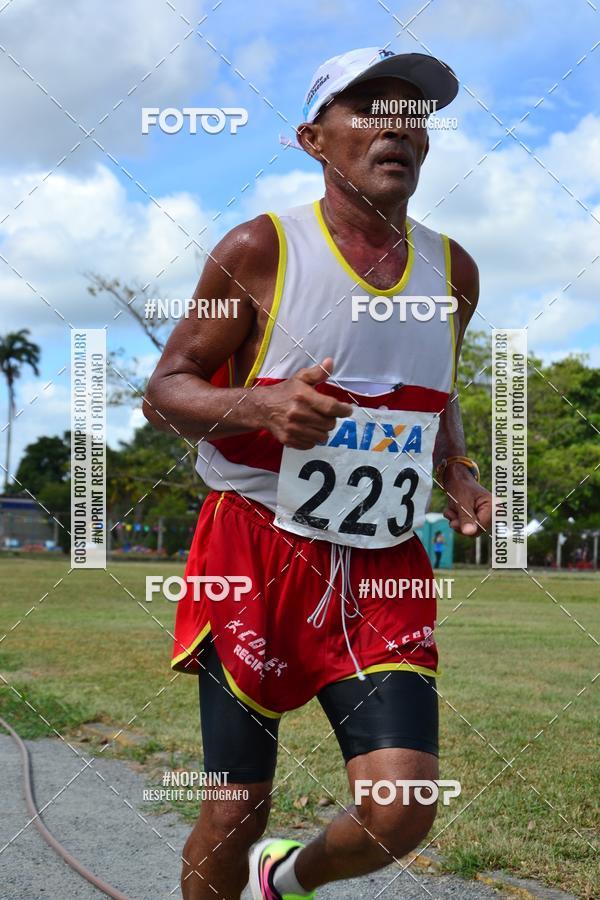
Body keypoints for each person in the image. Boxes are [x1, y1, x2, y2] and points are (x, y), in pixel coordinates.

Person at [144, 47, 492, 900]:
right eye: (369, 108)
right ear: (314, 137)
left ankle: (285, 882)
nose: (398, 128)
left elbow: (431, 392)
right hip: (257, 550)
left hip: (383, 562)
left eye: (413, 115)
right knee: (233, 808)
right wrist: (259, 408)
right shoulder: (259, 248)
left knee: (401, 807)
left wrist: (457, 464)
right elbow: (166, 388)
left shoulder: (455, 272)